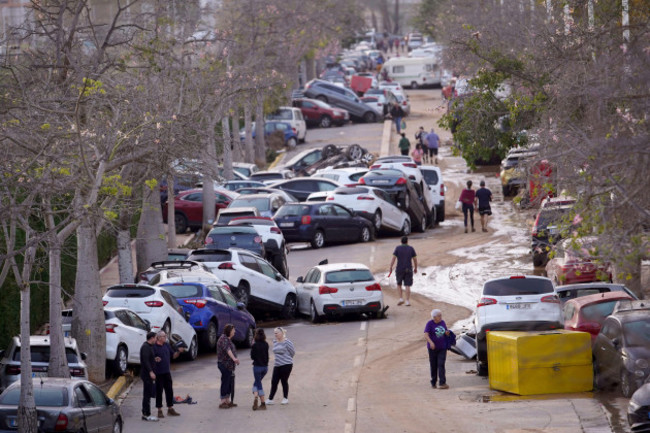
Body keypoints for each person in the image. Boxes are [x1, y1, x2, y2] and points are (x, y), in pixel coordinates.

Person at [153, 331, 185, 418]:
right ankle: (159, 410)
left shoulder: (166, 345)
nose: (165, 337)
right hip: (158, 373)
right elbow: (150, 358)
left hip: (167, 372)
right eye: (164, 336)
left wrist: (178, 351)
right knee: (159, 392)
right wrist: (155, 359)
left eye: (165, 336)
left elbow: (173, 356)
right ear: (159, 338)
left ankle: (170, 408)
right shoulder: (154, 347)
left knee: (169, 391)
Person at [266, 327, 295, 405]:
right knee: (274, 381)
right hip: (277, 364)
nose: (275, 334)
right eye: (274, 333)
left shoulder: (287, 342)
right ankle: (270, 399)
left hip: (286, 364)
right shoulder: (275, 341)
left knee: (284, 381)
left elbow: (292, 352)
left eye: (277, 333)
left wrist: (287, 359)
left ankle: (285, 398)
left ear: (282, 333)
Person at [424, 309, 451, 389]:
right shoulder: (429, 324)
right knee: (433, 365)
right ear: (434, 317)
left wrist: (447, 333)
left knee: (441, 364)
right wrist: (431, 342)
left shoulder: (442, 322)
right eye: (439, 316)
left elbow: (445, 331)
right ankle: (433, 382)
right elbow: (426, 335)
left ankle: (442, 383)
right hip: (432, 348)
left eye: (441, 315)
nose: (441, 317)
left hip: (442, 347)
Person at [388, 236, 418, 306]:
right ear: (407, 241)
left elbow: (393, 258)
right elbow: (415, 260)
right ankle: (407, 301)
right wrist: (415, 268)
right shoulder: (411, 248)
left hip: (399, 269)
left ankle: (401, 298)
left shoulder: (398, 248)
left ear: (401, 241)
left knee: (399, 284)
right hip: (408, 269)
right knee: (407, 285)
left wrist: (391, 267)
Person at [217, 324, 240, 409]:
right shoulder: (223, 339)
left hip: (229, 365)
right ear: (229, 331)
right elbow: (228, 350)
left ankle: (227, 400)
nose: (234, 332)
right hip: (224, 364)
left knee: (229, 382)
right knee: (225, 381)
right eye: (233, 330)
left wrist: (234, 359)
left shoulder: (228, 339)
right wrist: (234, 358)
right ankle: (223, 401)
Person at [140, 332, 159, 422]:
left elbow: (149, 359)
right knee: (147, 394)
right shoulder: (145, 347)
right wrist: (151, 372)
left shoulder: (150, 347)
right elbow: (145, 361)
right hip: (147, 375)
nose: (156, 340)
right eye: (155, 338)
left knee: (149, 393)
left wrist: (154, 359)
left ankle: (147, 413)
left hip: (149, 374)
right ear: (152, 338)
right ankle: (146, 414)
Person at [250, 328, 269, 411]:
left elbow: (252, 357)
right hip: (265, 367)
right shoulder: (266, 344)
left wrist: (252, 346)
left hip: (257, 367)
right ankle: (255, 394)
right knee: (257, 383)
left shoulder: (255, 345)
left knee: (258, 384)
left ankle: (261, 402)